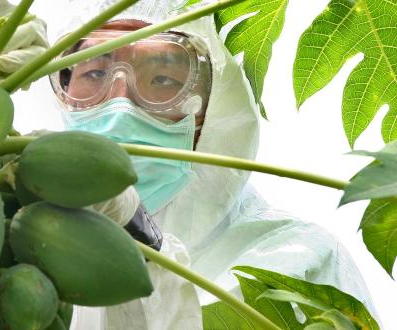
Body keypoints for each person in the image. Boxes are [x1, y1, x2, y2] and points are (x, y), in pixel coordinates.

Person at [42, 0, 378, 329]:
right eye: (95, 72)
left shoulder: (301, 262)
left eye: (161, 79)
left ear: (215, 111)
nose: (119, 107)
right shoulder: (26, 252)